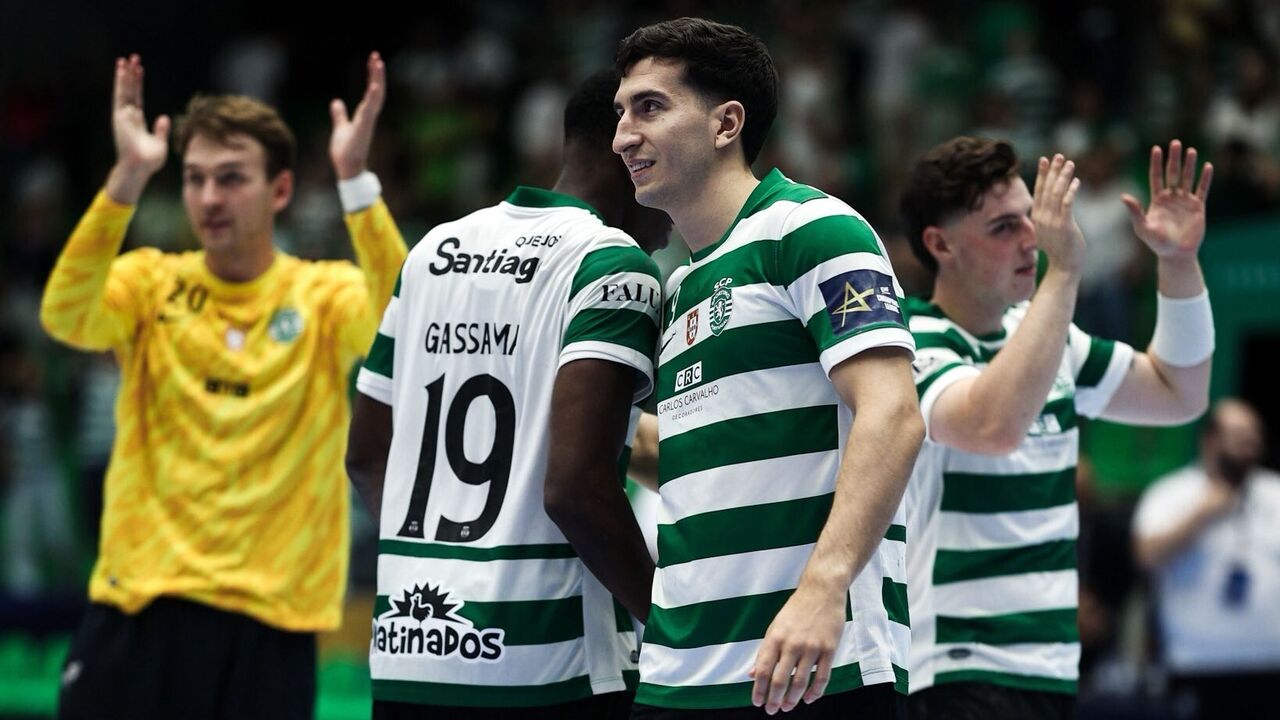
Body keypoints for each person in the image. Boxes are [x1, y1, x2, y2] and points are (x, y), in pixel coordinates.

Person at [40, 53, 407, 720]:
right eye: (195, 179)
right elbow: (65, 315)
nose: (209, 198)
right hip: (143, 604)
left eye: (232, 179)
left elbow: (407, 320)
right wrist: (127, 177)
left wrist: (355, 182)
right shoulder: (149, 282)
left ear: (281, 190)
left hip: (271, 621)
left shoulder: (323, 296)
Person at [613, 18, 924, 718]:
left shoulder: (813, 230)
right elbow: (703, 460)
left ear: (727, 123)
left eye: (650, 108)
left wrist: (824, 588)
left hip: (814, 666)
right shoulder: (679, 287)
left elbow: (895, 414)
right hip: (681, 672)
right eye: (621, 113)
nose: (623, 135)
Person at [344, 69, 671, 720]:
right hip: (549, 662)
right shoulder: (613, 264)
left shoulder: (434, 250)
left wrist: (450, 569)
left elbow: (365, 456)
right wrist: (667, 618)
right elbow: (575, 487)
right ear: (629, 149)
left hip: (412, 648)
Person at [898, 136, 1214, 720]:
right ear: (940, 244)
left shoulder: (1049, 338)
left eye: (1031, 219)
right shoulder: (909, 343)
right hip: (955, 667)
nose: (1031, 239)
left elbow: (1179, 393)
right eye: (1002, 227)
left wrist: (1177, 262)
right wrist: (1065, 271)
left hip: (1050, 665)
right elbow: (993, 426)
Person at [1133, 398, 1280, 720]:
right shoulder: (1171, 493)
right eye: (1239, 436)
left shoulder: (1274, 492)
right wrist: (1204, 514)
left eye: (1255, 437)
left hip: (1270, 662)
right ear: (1210, 441)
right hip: (1197, 662)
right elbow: (1146, 555)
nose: (1250, 446)